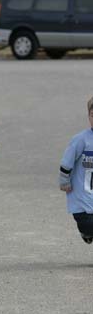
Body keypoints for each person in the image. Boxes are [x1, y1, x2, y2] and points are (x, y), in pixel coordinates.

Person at [59, 96, 93, 244]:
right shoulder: (81, 140)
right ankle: (86, 232)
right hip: (81, 195)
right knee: (87, 225)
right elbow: (67, 162)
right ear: (88, 116)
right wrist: (64, 181)